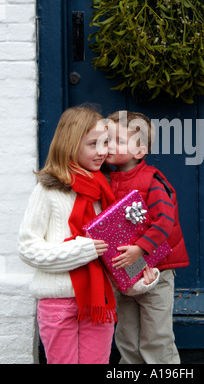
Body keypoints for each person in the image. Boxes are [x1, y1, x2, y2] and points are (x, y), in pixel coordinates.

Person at [18, 106, 118, 365]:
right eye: (93, 144)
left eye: (105, 143)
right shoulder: (48, 190)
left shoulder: (104, 189)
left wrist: (141, 274)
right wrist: (80, 251)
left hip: (99, 304)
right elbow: (28, 248)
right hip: (58, 302)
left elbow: (117, 247)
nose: (102, 151)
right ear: (70, 144)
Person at [105, 110, 190, 365]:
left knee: (156, 335)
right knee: (127, 334)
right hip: (124, 271)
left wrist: (141, 249)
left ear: (139, 152)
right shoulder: (105, 180)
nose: (108, 146)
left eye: (118, 141)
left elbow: (165, 220)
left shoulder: (152, 180)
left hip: (156, 270)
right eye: (105, 140)